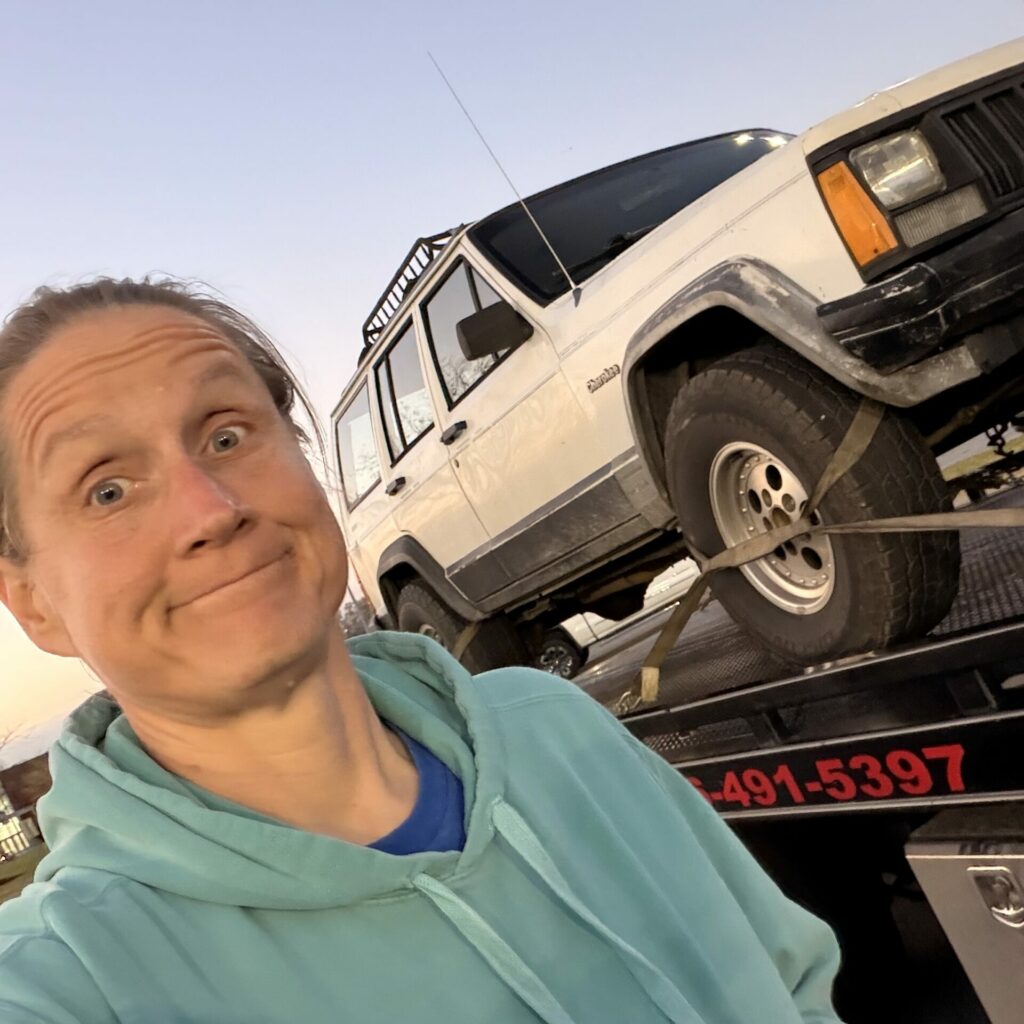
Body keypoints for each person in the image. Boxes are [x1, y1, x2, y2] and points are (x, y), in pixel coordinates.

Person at [0, 278, 843, 1023]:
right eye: (107, 489)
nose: (211, 511)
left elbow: (793, 984)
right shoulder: (75, 975)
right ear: (33, 602)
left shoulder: (553, 726)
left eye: (225, 436)